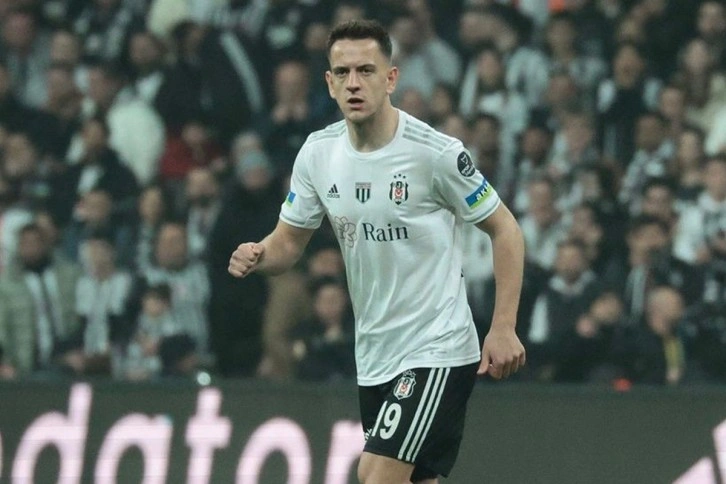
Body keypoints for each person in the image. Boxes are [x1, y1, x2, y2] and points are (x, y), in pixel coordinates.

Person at [228, 20, 525, 484]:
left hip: (437, 347)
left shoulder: (435, 153)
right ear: (329, 83)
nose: (354, 83)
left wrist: (503, 326)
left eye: (366, 70)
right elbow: (287, 242)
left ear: (391, 79)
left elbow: (505, 228)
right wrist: (259, 254)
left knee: (375, 474)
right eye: (342, 72)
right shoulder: (317, 154)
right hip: (374, 354)